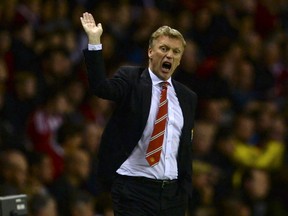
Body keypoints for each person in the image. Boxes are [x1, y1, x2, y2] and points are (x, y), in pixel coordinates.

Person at [80, 12, 197, 216]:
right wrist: (94, 40)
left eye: (176, 52)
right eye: (164, 49)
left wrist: (184, 189)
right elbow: (101, 87)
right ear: (150, 52)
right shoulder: (131, 79)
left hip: (173, 196)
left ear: (179, 59)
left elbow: (184, 146)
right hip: (134, 190)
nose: (169, 55)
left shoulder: (187, 97)